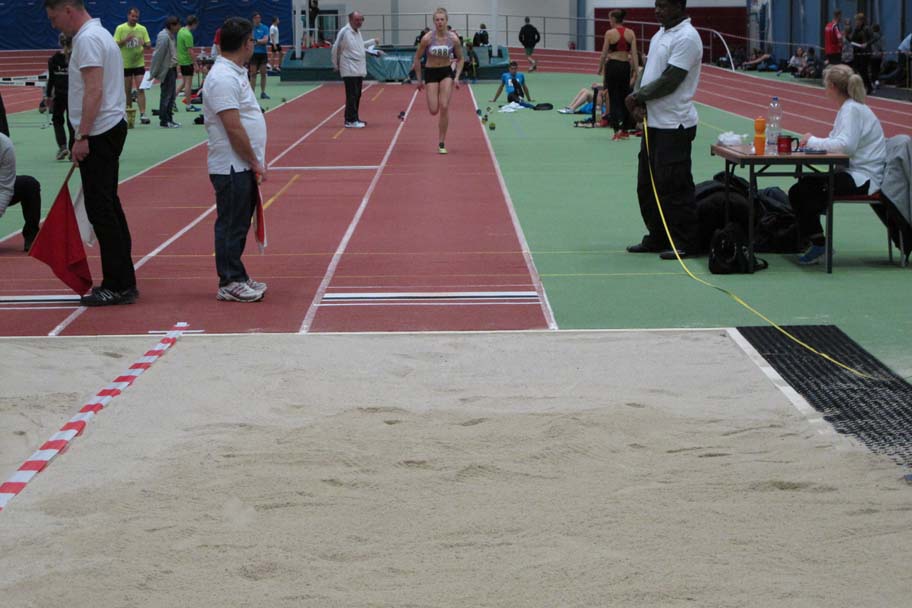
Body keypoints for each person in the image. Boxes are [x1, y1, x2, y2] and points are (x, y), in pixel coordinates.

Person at [44, 0, 136, 306]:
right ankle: (124, 278)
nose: (54, 25)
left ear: (68, 10)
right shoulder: (100, 34)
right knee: (109, 204)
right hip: (107, 127)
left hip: (98, 131)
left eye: (54, 17)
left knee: (101, 209)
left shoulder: (87, 40)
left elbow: (93, 90)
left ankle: (117, 284)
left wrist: (81, 135)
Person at [624, 0, 703, 260]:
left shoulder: (687, 37)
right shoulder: (660, 34)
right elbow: (648, 72)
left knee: (674, 187)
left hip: (674, 124)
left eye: (664, 6)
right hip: (654, 124)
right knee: (647, 186)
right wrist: (637, 97)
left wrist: (637, 97)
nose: (657, 10)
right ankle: (658, 236)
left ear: (679, 6)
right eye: (656, 5)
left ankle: (685, 241)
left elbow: (670, 80)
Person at [788, 64, 886, 265]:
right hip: (853, 172)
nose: (825, 89)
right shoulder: (848, 108)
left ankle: (819, 245)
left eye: (826, 85)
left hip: (863, 177)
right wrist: (815, 144)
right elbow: (837, 141)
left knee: (804, 191)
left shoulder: (852, 109)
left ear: (832, 86)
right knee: (803, 188)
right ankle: (817, 240)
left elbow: (846, 146)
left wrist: (812, 140)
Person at [202, 17, 269, 303]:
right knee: (231, 223)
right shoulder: (222, 78)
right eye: (252, 39)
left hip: (240, 164)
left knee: (239, 222)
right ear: (245, 44)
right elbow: (233, 127)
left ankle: (237, 274)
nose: (254, 44)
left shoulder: (235, 72)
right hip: (231, 165)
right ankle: (229, 279)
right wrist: (254, 161)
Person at [413, 7, 464, 155]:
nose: (440, 22)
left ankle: (441, 142)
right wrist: (419, 80)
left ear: (446, 21)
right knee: (434, 110)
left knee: (444, 105)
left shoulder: (453, 39)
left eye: (442, 19)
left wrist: (456, 77)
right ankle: (433, 95)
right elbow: (417, 58)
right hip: (431, 72)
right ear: (434, 22)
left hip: (446, 72)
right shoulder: (427, 38)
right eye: (437, 20)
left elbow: (461, 59)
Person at [332, 11, 381, 129]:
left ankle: (355, 118)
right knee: (352, 95)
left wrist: (373, 44)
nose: (359, 22)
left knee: (357, 94)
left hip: (358, 68)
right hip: (349, 68)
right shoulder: (345, 32)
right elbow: (336, 48)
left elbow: (359, 47)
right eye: (357, 20)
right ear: (350, 20)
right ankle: (350, 120)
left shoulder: (357, 32)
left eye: (361, 20)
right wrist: (335, 64)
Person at [598, 9, 639, 139]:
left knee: (613, 97)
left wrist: (600, 68)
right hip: (625, 67)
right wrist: (636, 71)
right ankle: (625, 130)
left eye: (609, 19)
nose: (609, 22)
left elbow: (604, 54)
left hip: (613, 66)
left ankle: (616, 131)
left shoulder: (609, 33)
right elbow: (634, 54)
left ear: (614, 19)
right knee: (624, 97)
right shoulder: (631, 33)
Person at [0, 134, 41, 252]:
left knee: (30, 185)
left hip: (1, 185)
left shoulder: (5, 145)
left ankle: (31, 236)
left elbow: (5, 188)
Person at [114, 7, 151, 125]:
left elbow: (149, 45)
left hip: (139, 63)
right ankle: (128, 113)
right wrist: (125, 40)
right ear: (128, 16)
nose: (134, 18)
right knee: (127, 90)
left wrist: (144, 44)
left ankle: (143, 114)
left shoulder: (142, 29)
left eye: (136, 17)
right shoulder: (120, 28)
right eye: (133, 16)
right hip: (125, 64)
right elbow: (115, 44)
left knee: (141, 89)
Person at [45, 32, 74, 159]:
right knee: (72, 122)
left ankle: (62, 146)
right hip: (73, 95)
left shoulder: (53, 59)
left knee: (57, 120)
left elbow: (51, 79)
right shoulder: (76, 57)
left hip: (59, 95)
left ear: (59, 43)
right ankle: (73, 150)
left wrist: (48, 96)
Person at [150, 16, 180, 129]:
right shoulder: (163, 36)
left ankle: (170, 119)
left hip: (172, 68)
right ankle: (164, 120)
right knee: (166, 96)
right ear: (172, 25)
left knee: (171, 96)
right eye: (177, 25)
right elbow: (158, 55)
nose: (179, 27)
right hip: (167, 70)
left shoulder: (171, 35)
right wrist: (153, 72)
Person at [177, 15, 199, 112]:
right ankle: (189, 106)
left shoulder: (181, 31)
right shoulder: (188, 35)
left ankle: (171, 101)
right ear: (194, 24)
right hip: (187, 62)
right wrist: (196, 64)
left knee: (184, 82)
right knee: (188, 84)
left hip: (182, 61)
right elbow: (191, 51)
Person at [848, 13, 873, 93]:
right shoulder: (856, 29)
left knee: (863, 70)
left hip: (865, 52)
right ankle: (860, 86)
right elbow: (852, 39)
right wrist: (847, 37)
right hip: (857, 52)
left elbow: (873, 38)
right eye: (856, 21)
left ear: (861, 20)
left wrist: (867, 44)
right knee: (856, 70)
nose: (856, 22)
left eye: (857, 20)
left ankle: (869, 87)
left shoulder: (867, 28)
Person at [250, 12, 270, 99]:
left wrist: (256, 41)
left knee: (263, 74)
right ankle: (252, 94)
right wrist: (257, 41)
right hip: (253, 54)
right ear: (253, 19)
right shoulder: (250, 28)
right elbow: (249, 40)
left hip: (263, 54)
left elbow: (265, 40)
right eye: (256, 18)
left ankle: (263, 92)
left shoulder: (265, 28)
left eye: (259, 18)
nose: (258, 19)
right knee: (253, 74)